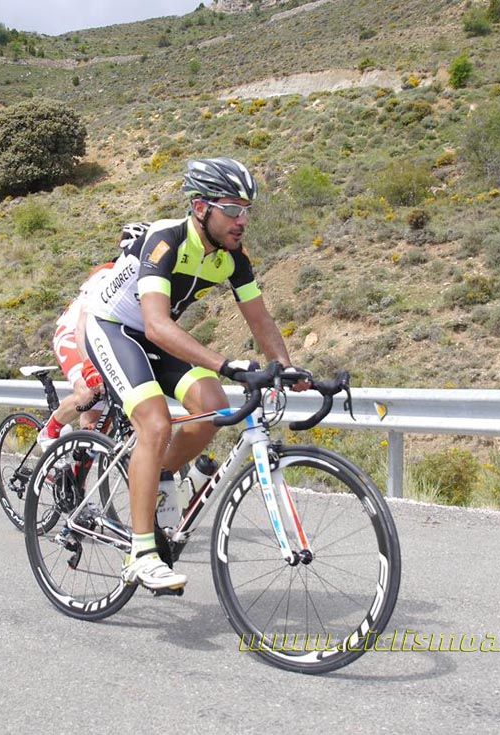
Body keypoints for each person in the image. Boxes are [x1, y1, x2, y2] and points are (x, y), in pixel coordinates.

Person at [83, 158, 310, 592]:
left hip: (156, 336)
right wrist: (224, 364)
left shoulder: (232, 258)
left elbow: (260, 320)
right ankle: (142, 552)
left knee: (212, 408)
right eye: (232, 209)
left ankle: (152, 480)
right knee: (155, 421)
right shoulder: (165, 241)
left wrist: (284, 365)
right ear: (201, 207)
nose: (242, 220)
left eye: (247, 210)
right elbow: (154, 324)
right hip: (114, 327)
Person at [40, 223, 150, 444]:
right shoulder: (107, 273)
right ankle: (49, 432)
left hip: (100, 338)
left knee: (95, 426)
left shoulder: (148, 282)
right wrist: (88, 365)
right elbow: (83, 322)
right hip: (74, 335)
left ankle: (75, 475)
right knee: (88, 393)